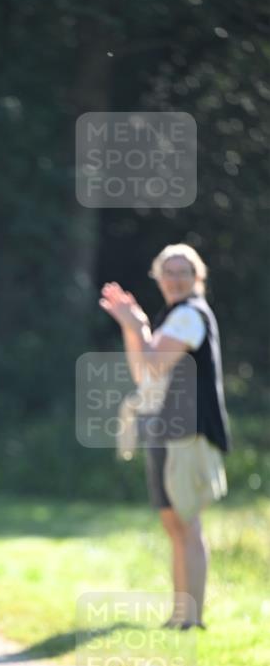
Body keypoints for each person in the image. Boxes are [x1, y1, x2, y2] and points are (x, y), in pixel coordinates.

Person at [99, 243, 230, 630]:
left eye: (182, 272)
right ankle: (180, 615)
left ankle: (192, 618)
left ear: (197, 278)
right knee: (174, 525)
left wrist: (136, 324)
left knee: (187, 524)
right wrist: (133, 325)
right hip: (166, 432)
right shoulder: (173, 317)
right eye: (167, 272)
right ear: (158, 277)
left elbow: (153, 362)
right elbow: (144, 372)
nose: (174, 279)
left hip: (188, 433)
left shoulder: (190, 316)